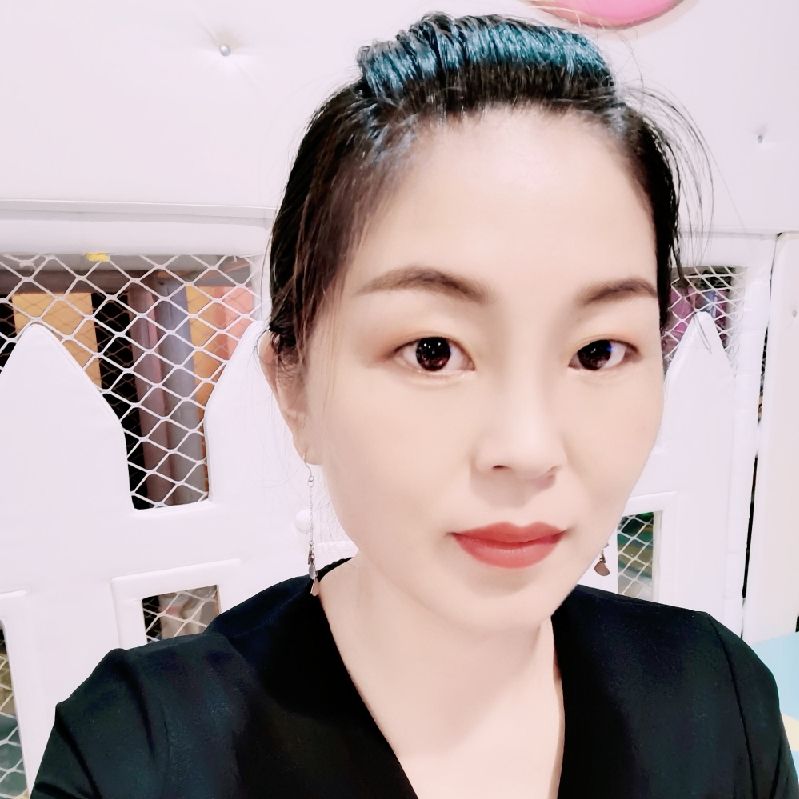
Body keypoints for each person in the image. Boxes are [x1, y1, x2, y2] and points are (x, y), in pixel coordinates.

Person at [32, 12, 797, 798]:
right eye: (433, 350)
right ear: (292, 384)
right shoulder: (135, 756)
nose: (527, 447)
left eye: (597, 351)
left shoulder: (719, 699)